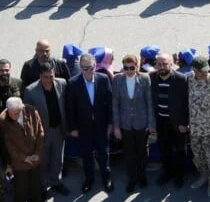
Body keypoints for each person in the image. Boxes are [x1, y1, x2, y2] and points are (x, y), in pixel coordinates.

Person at [66, 54, 114, 193]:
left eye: (91, 67)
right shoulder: (73, 83)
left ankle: (107, 178)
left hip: (101, 126)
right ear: (81, 67)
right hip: (83, 127)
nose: (89, 71)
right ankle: (89, 179)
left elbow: (110, 103)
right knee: (86, 155)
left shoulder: (103, 79)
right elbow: (70, 108)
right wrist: (73, 128)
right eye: (85, 68)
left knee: (103, 154)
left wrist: (110, 123)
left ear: (95, 66)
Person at [23, 61, 68, 197]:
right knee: (43, 162)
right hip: (42, 133)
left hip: (58, 129)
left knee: (57, 159)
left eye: (51, 76)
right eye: (46, 77)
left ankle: (56, 182)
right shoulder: (30, 91)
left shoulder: (62, 83)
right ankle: (42, 188)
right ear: (40, 76)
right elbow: (27, 116)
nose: (49, 80)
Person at [111, 53, 154, 192]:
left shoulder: (145, 79)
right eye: (126, 68)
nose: (128, 70)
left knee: (142, 151)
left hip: (141, 122)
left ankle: (142, 175)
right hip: (125, 124)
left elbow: (149, 102)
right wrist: (116, 127)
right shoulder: (117, 79)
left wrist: (151, 124)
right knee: (128, 152)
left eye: (131, 67)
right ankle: (132, 178)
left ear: (137, 67)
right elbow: (115, 103)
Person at [0, 97, 46, 202]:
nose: (14, 116)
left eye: (17, 113)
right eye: (11, 113)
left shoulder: (31, 111)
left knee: (36, 183)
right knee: (20, 187)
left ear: (22, 108)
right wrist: (24, 158)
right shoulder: (3, 120)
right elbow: (8, 145)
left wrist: (37, 152)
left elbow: (40, 132)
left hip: (35, 157)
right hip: (19, 161)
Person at [186, 58, 210, 197]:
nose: (205, 73)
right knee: (198, 156)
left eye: (206, 70)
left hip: (209, 130)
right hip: (195, 129)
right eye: (201, 71)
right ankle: (203, 175)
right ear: (194, 70)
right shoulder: (190, 80)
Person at [150, 53, 190, 187]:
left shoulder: (182, 79)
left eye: (165, 64)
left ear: (171, 64)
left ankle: (179, 175)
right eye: (159, 64)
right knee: (164, 149)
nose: (161, 67)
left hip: (178, 123)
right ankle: (168, 173)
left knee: (179, 150)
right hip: (161, 121)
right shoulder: (152, 78)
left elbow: (187, 103)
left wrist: (185, 123)